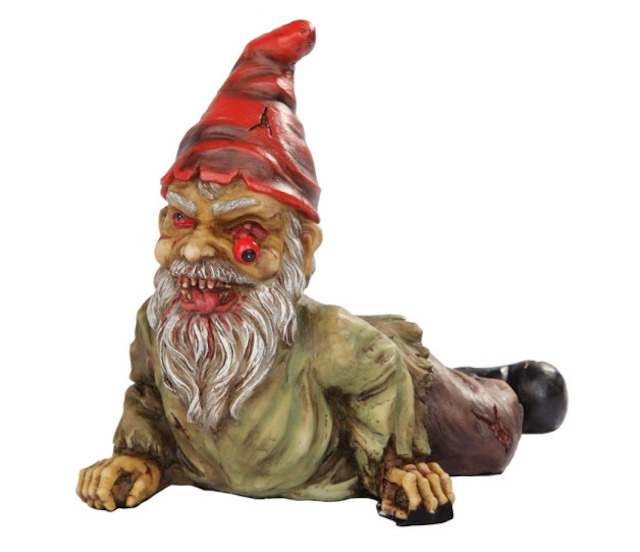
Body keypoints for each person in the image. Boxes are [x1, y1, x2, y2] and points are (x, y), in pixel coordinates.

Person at [76, 20, 567, 525]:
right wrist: (139, 454)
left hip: (406, 391)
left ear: (302, 248)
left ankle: (500, 380)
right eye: (181, 219)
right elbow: (149, 395)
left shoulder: (337, 344)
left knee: (508, 420)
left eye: (242, 230)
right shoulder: (156, 323)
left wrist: (396, 465)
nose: (197, 249)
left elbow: (379, 377)